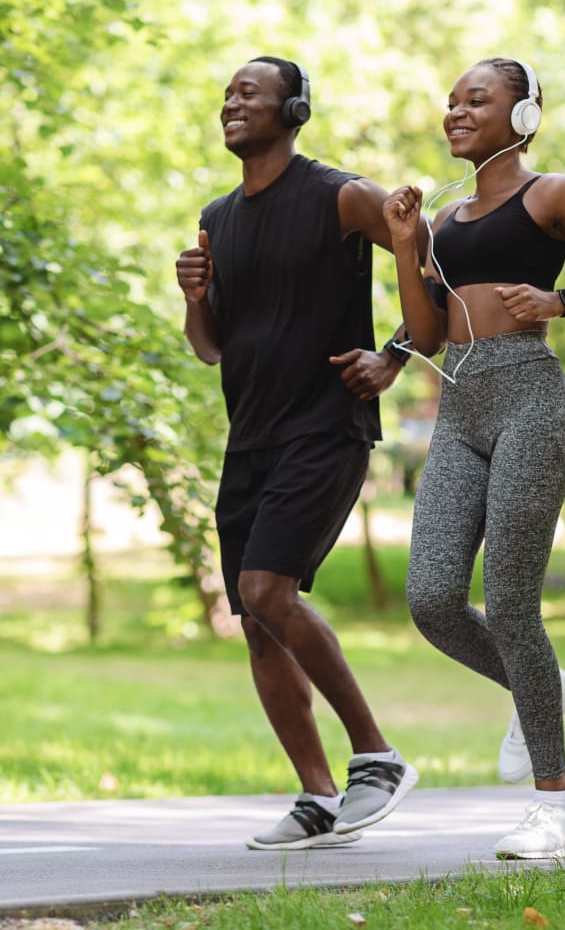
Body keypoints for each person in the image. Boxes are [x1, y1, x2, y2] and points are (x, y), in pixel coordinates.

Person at [382, 57, 565, 859]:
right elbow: (430, 334)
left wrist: (563, 300)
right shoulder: (442, 222)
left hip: (532, 404)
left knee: (512, 605)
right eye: (450, 102)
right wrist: (406, 246)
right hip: (460, 409)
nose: (456, 112)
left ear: (523, 116)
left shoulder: (555, 194)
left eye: (477, 99)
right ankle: (539, 683)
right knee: (432, 598)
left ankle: (559, 811)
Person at [175, 56, 422, 851]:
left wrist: (396, 354)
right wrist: (191, 298)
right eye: (227, 95)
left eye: (249, 92)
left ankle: (377, 758)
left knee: (265, 589)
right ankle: (317, 799)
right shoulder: (219, 215)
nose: (231, 104)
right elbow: (211, 348)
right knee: (256, 621)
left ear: (297, 108)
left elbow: (432, 263)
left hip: (326, 424)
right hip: (249, 436)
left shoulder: (340, 196)